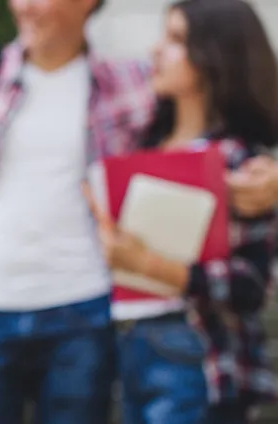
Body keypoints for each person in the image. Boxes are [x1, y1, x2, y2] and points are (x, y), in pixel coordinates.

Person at [0, 0, 278, 423]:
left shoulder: (133, 82)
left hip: (85, 314)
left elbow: (216, 109)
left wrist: (272, 177)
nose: (22, 7)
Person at [103, 1, 278, 423]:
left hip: (201, 352)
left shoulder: (243, 165)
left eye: (176, 40)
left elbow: (251, 285)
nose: (157, 51)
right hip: (131, 346)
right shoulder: (140, 147)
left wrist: (153, 267)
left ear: (212, 57)